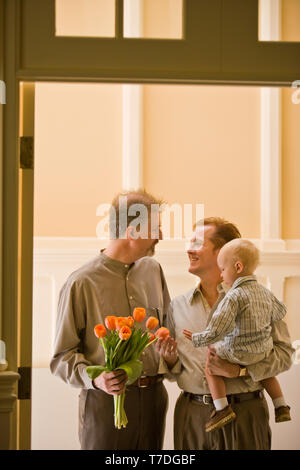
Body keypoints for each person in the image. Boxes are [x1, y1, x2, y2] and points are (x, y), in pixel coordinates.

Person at [156, 217, 294, 450]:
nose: (189, 249)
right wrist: (169, 360)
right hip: (193, 416)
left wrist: (241, 371)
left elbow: (284, 354)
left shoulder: (261, 299)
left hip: (247, 414)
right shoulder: (177, 306)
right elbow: (172, 371)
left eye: (198, 243)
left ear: (223, 252)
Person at [50, 189, 171, 450]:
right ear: (132, 232)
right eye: (156, 228)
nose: (161, 236)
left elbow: (166, 333)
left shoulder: (154, 271)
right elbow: (61, 357)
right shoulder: (81, 283)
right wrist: (96, 379)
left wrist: (170, 353)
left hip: (154, 402)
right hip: (104, 407)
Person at [183, 238, 291, 433]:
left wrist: (198, 338)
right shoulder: (266, 293)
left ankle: (222, 409)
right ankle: (281, 405)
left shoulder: (234, 296)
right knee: (267, 374)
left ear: (237, 266)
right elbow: (281, 311)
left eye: (223, 269)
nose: (222, 274)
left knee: (211, 365)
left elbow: (218, 329)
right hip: (262, 351)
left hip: (237, 353)